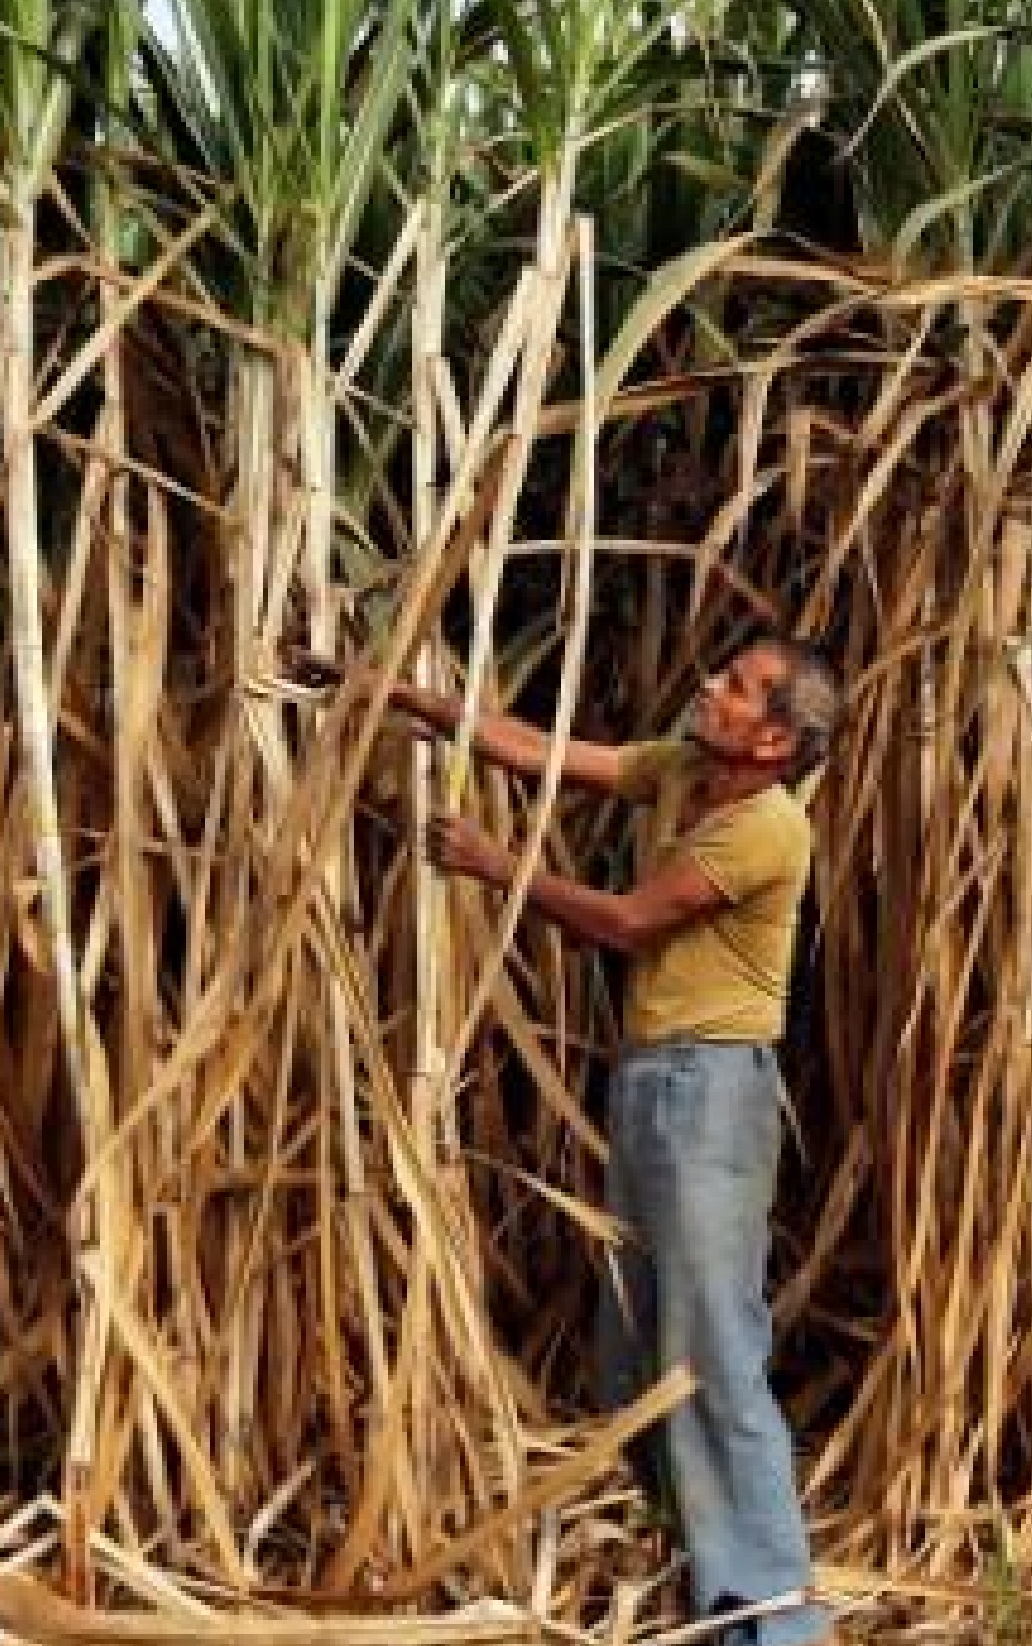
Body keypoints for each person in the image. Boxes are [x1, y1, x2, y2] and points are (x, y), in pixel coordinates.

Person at [305, 633, 843, 1646]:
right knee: (634, 1343)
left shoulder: (767, 828)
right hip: (656, 1080)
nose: (707, 684)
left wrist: (494, 866)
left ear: (775, 741)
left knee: (715, 1344)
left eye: (734, 687)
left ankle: (777, 1618)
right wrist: (398, 692)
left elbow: (630, 922)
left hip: (713, 1091)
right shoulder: (683, 771)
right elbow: (538, 751)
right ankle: (696, 1574)